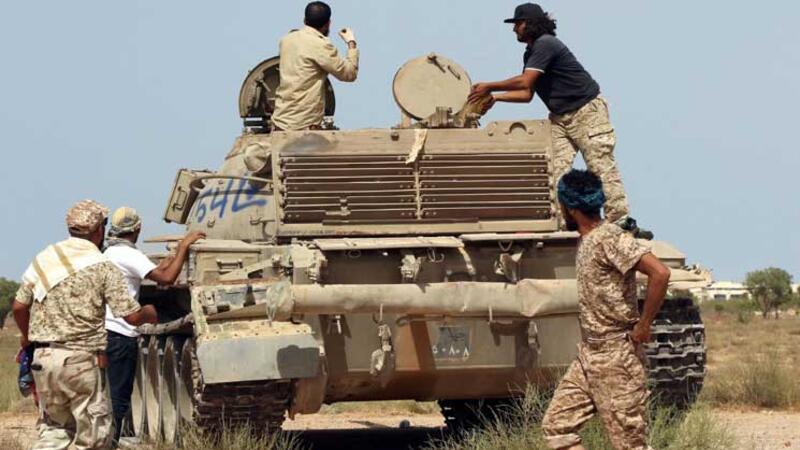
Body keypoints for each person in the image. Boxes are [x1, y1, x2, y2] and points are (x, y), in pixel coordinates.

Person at [468, 3, 651, 238]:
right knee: (552, 170)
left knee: (600, 166)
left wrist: (489, 86)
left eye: (518, 24)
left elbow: (525, 82)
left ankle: (620, 221)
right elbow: (527, 94)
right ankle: (559, 221)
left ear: (530, 24)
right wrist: (496, 98)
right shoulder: (531, 52)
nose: (514, 29)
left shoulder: (546, 44)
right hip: (560, 118)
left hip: (586, 112)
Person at [11, 200, 158, 450]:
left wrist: (27, 338)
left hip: (44, 360)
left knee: (53, 432)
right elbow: (131, 317)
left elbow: (19, 306)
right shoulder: (102, 266)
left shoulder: (45, 257)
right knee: (93, 437)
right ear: (99, 229)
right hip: (81, 361)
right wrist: (150, 312)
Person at [540, 170, 670, 450]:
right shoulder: (588, 239)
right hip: (589, 355)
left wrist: (644, 325)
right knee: (557, 427)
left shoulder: (608, 237)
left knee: (630, 444)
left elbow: (660, 273)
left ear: (570, 209)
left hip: (616, 356)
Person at [102, 207, 205, 442]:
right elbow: (166, 279)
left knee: (111, 396)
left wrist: (171, 259)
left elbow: (157, 273)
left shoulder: (110, 253)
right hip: (120, 334)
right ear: (137, 229)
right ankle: (110, 443)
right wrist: (183, 247)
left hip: (108, 331)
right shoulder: (129, 255)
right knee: (119, 400)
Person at [271, 1, 359, 131]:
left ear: (304, 20)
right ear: (328, 24)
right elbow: (349, 74)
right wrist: (351, 43)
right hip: (303, 126)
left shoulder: (286, 40)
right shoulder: (321, 45)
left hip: (280, 122)